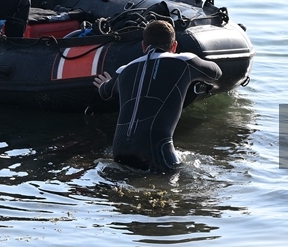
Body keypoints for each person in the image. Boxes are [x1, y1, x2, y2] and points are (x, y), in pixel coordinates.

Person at [94, 20, 222, 174]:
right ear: (174, 46)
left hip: (119, 150)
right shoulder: (185, 61)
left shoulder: (123, 70)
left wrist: (105, 83)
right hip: (157, 150)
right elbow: (216, 73)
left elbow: (104, 93)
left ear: (143, 46)